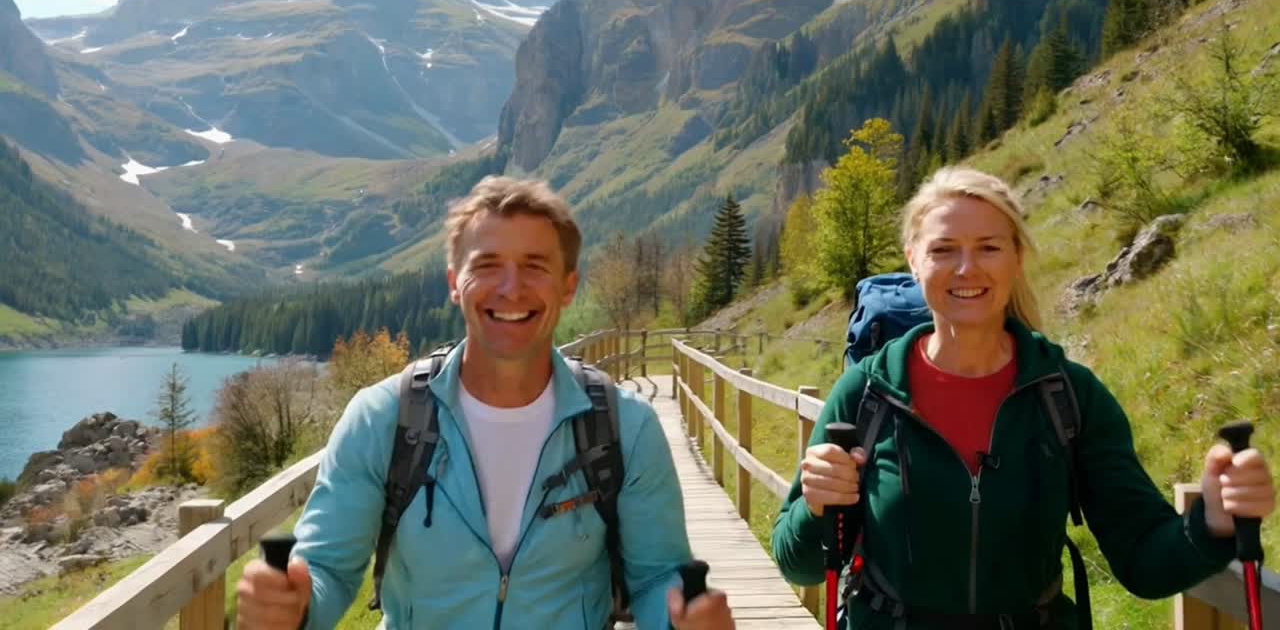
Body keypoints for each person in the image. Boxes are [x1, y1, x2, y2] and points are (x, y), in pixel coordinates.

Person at [771, 166, 1276, 629]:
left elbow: (1143, 560)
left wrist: (1212, 521)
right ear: (914, 261)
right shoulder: (866, 394)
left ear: (1017, 259)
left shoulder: (1070, 397)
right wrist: (814, 507)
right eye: (944, 249)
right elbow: (799, 563)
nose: (966, 269)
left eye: (988, 247)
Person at [236, 176, 736, 630]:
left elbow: (656, 579)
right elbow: (325, 568)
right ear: (455, 284)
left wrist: (681, 617)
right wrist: (294, 606)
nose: (511, 288)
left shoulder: (627, 428)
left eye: (535, 266)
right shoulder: (382, 419)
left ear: (568, 287)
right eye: (488, 265)